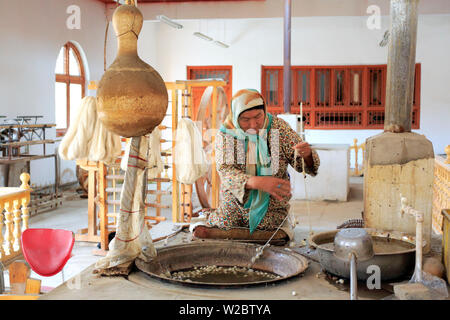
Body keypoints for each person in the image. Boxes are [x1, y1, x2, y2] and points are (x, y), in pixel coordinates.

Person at [194, 89, 320, 239]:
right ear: (235, 116)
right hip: (236, 202)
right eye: (246, 119)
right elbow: (226, 171)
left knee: (268, 225)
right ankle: (211, 217)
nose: (253, 124)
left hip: (272, 203)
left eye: (258, 116)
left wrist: (307, 156)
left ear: (265, 111)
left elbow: (302, 163)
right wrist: (256, 182)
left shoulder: (278, 128)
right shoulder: (227, 134)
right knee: (226, 221)